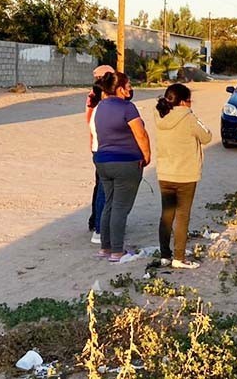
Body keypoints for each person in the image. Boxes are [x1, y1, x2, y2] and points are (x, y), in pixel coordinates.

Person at [90, 71, 151, 262]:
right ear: (119, 89)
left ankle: (105, 247)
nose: (131, 89)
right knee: (120, 207)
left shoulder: (99, 107)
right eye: (128, 85)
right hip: (125, 162)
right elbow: (140, 134)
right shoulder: (128, 108)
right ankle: (117, 251)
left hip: (103, 162)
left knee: (109, 203)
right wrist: (146, 156)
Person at [154, 84, 212, 269]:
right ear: (183, 101)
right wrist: (191, 113)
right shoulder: (189, 118)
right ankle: (179, 257)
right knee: (182, 216)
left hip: (165, 173)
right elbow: (207, 137)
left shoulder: (159, 115)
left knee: (166, 215)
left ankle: (165, 255)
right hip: (186, 175)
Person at [86, 65, 114, 244]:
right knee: (103, 188)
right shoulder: (97, 97)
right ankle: (98, 225)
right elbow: (90, 120)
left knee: (101, 187)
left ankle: (97, 221)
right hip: (103, 147)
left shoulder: (97, 96)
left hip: (98, 146)